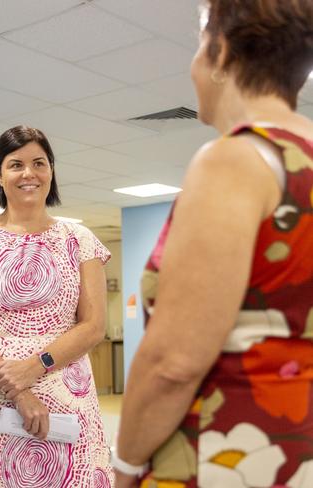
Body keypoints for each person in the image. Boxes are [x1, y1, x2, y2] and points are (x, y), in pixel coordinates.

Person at [113, 1, 313, 486]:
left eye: (198, 45)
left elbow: (173, 363)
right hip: (293, 447)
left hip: (223, 449)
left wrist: (123, 465)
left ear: (221, 52)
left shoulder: (235, 160)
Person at [0, 125, 114, 487]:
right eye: (16, 164)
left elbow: (93, 324)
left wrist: (36, 366)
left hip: (66, 396)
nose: (29, 173)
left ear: (51, 170)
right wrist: (18, 390)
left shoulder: (80, 240)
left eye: (39, 163)